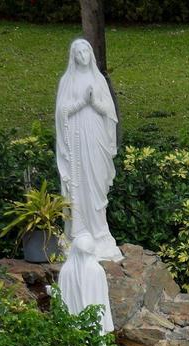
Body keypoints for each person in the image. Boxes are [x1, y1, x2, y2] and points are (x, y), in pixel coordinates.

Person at [55, 38, 122, 262]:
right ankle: (80, 233)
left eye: (86, 50)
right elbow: (61, 112)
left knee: (97, 185)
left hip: (96, 137)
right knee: (80, 183)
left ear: (91, 54)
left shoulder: (98, 79)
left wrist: (94, 104)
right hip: (76, 140)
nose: (83, 55)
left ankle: (100, 233)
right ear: (73, 56)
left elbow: (109, 113)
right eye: (78, 51)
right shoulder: (68, 80)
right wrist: (83, 102)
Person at [57, 231, 114, 346]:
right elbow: (103, 299)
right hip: (94, 321)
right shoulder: (97, 270)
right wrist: (107, 322)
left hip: (72, 322)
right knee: (94, 345)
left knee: (75, 345)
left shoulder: (66, 270)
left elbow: (60, 301)